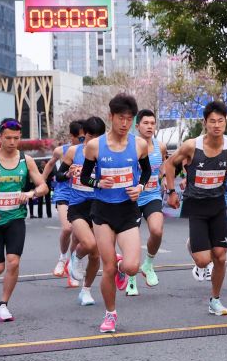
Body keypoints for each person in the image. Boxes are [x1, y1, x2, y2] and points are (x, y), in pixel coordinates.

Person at [165, 101, 227, 315]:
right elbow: (169, 164)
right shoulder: (191, 146)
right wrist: (172, 192)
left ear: (226, 122)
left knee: (220, 255)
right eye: (212, 121)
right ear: (205, 123)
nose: (216, 125)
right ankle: (193, 245)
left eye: (220, 121)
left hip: (217, 204)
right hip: (196, 204)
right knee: (204, 260)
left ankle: (215, 299)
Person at [79, 94, 152, 333]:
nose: (125, 123)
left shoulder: (139, 144)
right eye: (121, 118)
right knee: (107, 268)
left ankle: (123, 267)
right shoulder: (94, 146)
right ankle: (110, 314)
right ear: (111, 116)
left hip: (127, 209)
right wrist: (98, 182)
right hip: (102, 211)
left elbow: (146, 172)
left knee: (132, 267)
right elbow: (84, 177)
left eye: (129, 119)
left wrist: (139, 187)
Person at [0, 118, 48, 322]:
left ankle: (3, 305)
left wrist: (30, 194)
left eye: (16, 138)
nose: (12, 142)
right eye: (8, 138)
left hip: (16, 218)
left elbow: (43, 187)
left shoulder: (26, 161)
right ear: (0, 137)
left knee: (13, 262)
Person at [59, 116, 108, 303]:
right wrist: (68, 173)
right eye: (89, 136)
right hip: (77, 205)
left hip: (98, 205)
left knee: (96, 255)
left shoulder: (105, 154)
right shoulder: (74, 151)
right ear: (83, 135)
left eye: (97, 137)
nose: (92, 140)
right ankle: (75, 256)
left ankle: (86, 290)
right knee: (88, 244)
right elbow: (58, 175)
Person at [126, 109, 169, 297]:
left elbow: (163, 164)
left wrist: (164, 178)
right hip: (132, 199)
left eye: (152, 123)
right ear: (137, 126)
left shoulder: (161, 146)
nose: (150, 126)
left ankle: (148, 264)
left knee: (157, 231)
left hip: (152, 195)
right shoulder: (129, 146)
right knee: (132, 241)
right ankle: (131, 279)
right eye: (145, 123)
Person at [42, 120, 84, 279]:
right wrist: (41, 182)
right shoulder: (61, 151)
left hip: (80, 193)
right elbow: (50, 165)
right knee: (67, 228)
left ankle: (72, 262)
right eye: (80, 138)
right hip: (64, 192)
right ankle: (62, 258)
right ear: (72, 136)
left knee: (78, 235)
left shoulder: (90, 150)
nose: (84, 141)